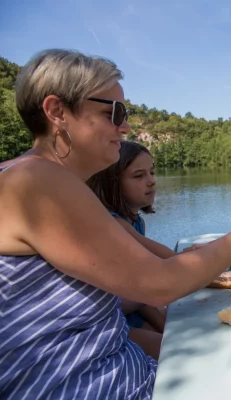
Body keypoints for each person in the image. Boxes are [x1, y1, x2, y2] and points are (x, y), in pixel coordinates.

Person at [0, 49, 231, 399]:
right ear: (57, 112)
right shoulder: (37, 181)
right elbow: (157, 285)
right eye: (113, 112)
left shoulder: (18, 176)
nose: (124, 127)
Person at [87, 141, 170, 360]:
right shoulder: (115, 224)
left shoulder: (136, 221)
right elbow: (168, 262)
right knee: (175, 349)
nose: (151, 181)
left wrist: (166, 328)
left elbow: (142, 288)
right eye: (138, 176)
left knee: (179, 329)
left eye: (151, 172)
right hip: (111, 324)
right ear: (112, 182)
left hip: (134, 312)